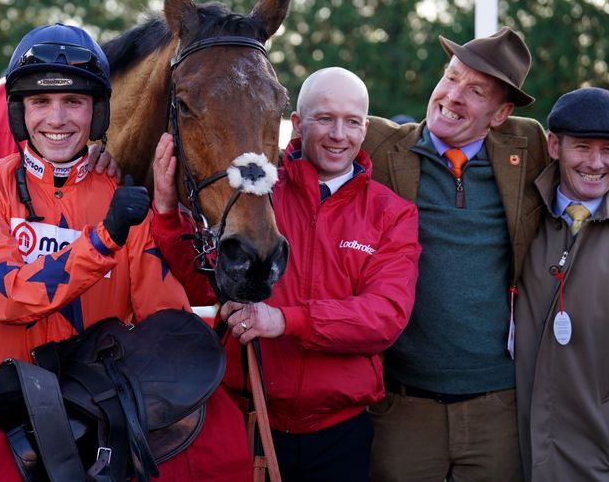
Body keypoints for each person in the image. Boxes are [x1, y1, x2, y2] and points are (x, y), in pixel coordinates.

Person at [0, 23, 251, 480]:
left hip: (97, 421)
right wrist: (104, 239)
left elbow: (164, 321)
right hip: (4, 422)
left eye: (74, 102)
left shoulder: (124, 201)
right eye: (40, 102)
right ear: (18, 111)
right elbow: (5, 298)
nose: (57, 119)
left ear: (97, 113)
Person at [362, 28, 609, 480]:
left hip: (498, 406)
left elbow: (602, 177)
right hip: (402, 403)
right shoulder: (378, 145)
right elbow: (312, 141)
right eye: (452, 77)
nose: (453, 97)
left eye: (475, 91)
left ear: (500, 114)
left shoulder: (527, 145)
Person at [151, 66, 422, 481]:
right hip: (248, 421)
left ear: (365, 129)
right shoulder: (256, 193)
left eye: (351, 122)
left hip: (339, 432)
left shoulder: (392, 213)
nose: (338, 134)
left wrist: (284, 320)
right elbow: (201, 287)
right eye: (324, 118)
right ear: (296, 124)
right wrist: (168, 214)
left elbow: (384, 317)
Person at [515, 87, 609, 481]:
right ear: (554, 145)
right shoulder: (519, 218)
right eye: (582, 147)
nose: (595, 162)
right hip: (519, 455)